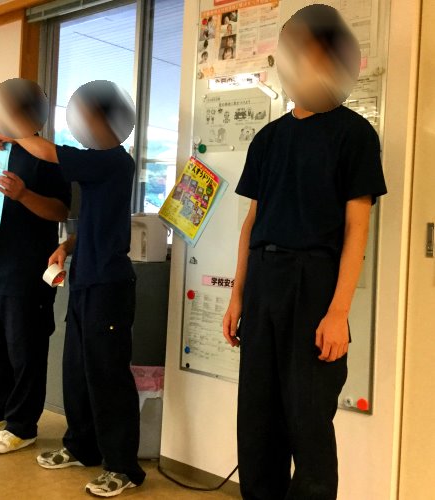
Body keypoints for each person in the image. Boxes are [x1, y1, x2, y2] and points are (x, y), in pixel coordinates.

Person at [222, 6, 387, 500]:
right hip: (264, 280)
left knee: (309, 423)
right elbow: (252, 223)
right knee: (257, 422)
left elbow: (357, 229)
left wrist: (338, 313)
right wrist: (237, 297)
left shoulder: (355, 134)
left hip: (315, 284)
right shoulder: (268, 138)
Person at [0, 83, 145, 498]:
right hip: (85, 281)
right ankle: (81, 446)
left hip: (110, 286)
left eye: (88, 116)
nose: (81, 124)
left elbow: (48, 152)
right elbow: (96, 221)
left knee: (108, 376)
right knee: (77, 371)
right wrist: (67, 246)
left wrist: (17, 131)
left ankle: (123, 467)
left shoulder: (114, 159)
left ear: (108, 121)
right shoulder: (97, 165)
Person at [0, 142, 71, 454]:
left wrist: (24, 195)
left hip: (28, 272)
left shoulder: (46, 155)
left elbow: (61, 211)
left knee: (26, 353)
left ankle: (22, 427)